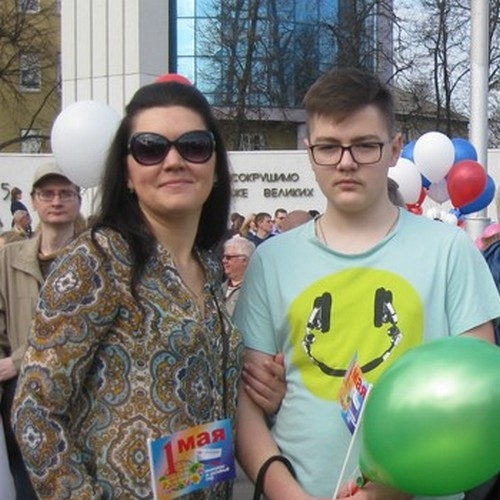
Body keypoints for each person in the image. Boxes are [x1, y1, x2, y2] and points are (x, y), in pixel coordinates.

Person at [233, 67, 500, 500]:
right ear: (309, 152)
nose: (346, 162)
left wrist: (398, 485)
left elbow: (479, 396)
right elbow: (248, 408)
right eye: (328, 147)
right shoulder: (272, 260)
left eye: (364, 145)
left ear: (394, 149)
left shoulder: (449, 251)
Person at [12, 79, 284, 500]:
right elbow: (34, 412)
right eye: (150, 148)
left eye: (194, 146)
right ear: (126, 172)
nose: (173, 161)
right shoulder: (98, 260)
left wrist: (265, 393)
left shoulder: (208, 266)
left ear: (215, 167)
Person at [0, 161, 82, 499]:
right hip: (22, 403)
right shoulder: (9, 259)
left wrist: (19, 359)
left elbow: (77, 326)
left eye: (65, 193)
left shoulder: (93, 258)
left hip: (78, 401)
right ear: (33, 201)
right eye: (47, 194)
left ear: (78, 199)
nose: (56, 201)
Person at [221, 236, 256, 316]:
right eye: (224, 257)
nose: (224, 260)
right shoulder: (218, 288)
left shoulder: (253, 292)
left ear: (244, 260)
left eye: (228, 257)